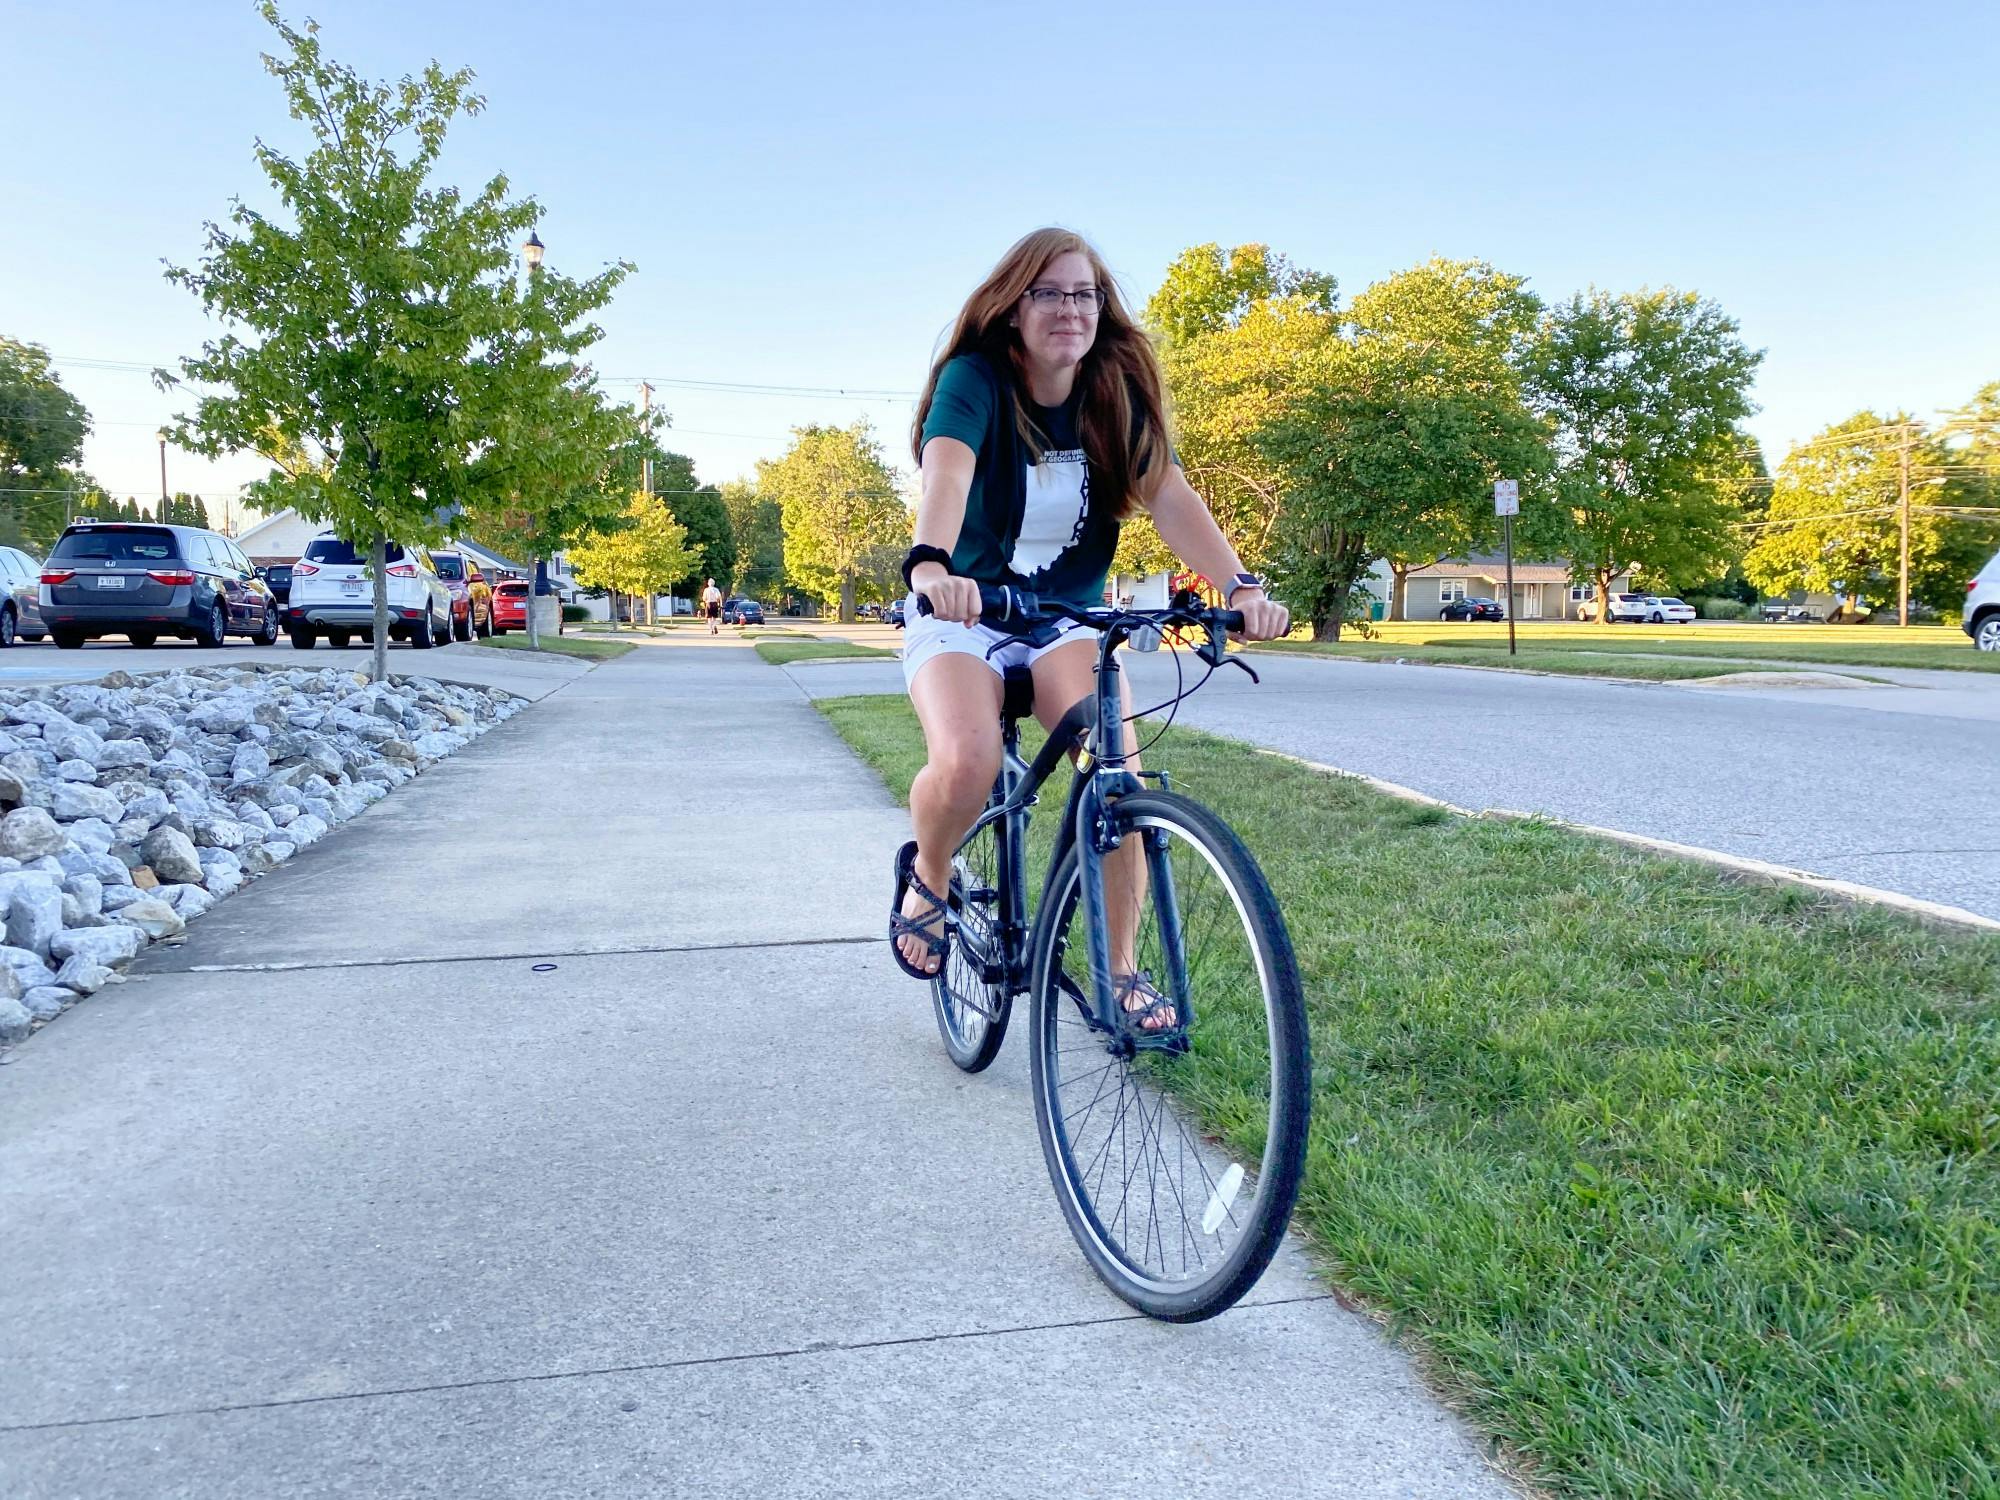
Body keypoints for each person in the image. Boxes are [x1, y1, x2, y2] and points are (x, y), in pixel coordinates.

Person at [889, 228, 1290, 1032]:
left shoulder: (1112, 390)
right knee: (966, 762)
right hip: (964, 611)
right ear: (1012, 308)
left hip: (1064, 617)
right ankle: (930, 874)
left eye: (1085, 295)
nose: (1070, 309)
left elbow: (1168, 494)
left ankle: (1121, 970)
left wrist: (1238, 586)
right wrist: (931, 564)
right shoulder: (976, 380)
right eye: (1049, 293)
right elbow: (949, 466)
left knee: (1117, 775)